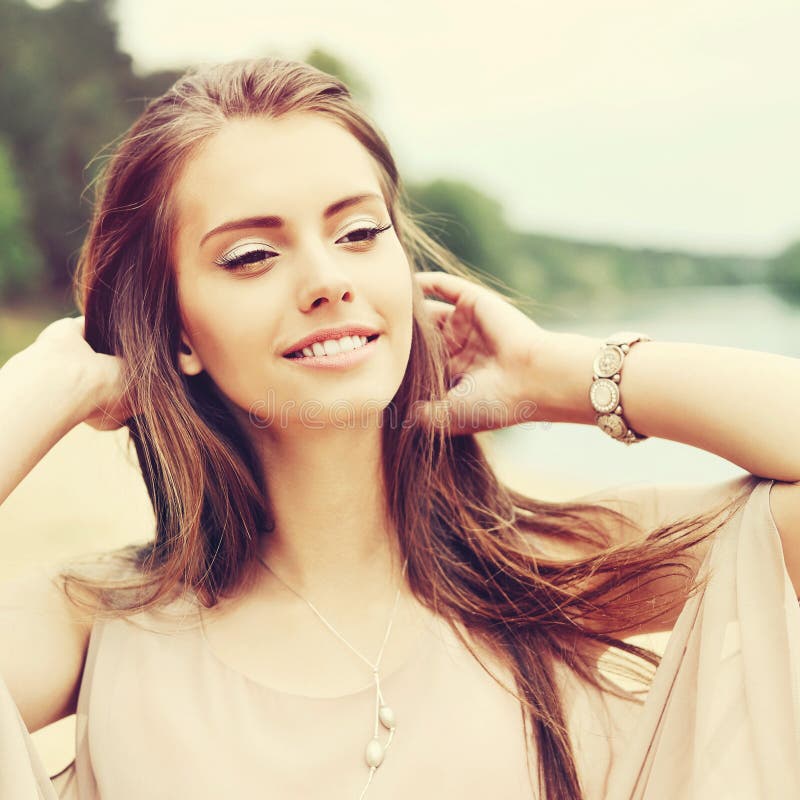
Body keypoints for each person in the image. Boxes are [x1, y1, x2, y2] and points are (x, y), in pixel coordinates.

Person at [0, 57, 799, 800]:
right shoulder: (97, 625)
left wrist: (566, 376)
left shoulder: (561, 571)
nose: (328, 280)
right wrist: (53, 380)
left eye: (357, 233)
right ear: (176, 329)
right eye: (250, 255)